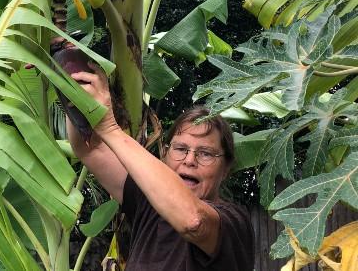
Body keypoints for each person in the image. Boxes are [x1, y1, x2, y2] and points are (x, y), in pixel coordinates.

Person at [67, 63, 255, 270]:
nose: (189, 160)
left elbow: (193, 221)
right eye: (181, 148)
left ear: (225, 168)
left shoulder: (232, 222)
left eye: (205, 153)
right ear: (164, 154)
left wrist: (110, 129)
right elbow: (90, 148)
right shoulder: (147, 204)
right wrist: (66, 67)